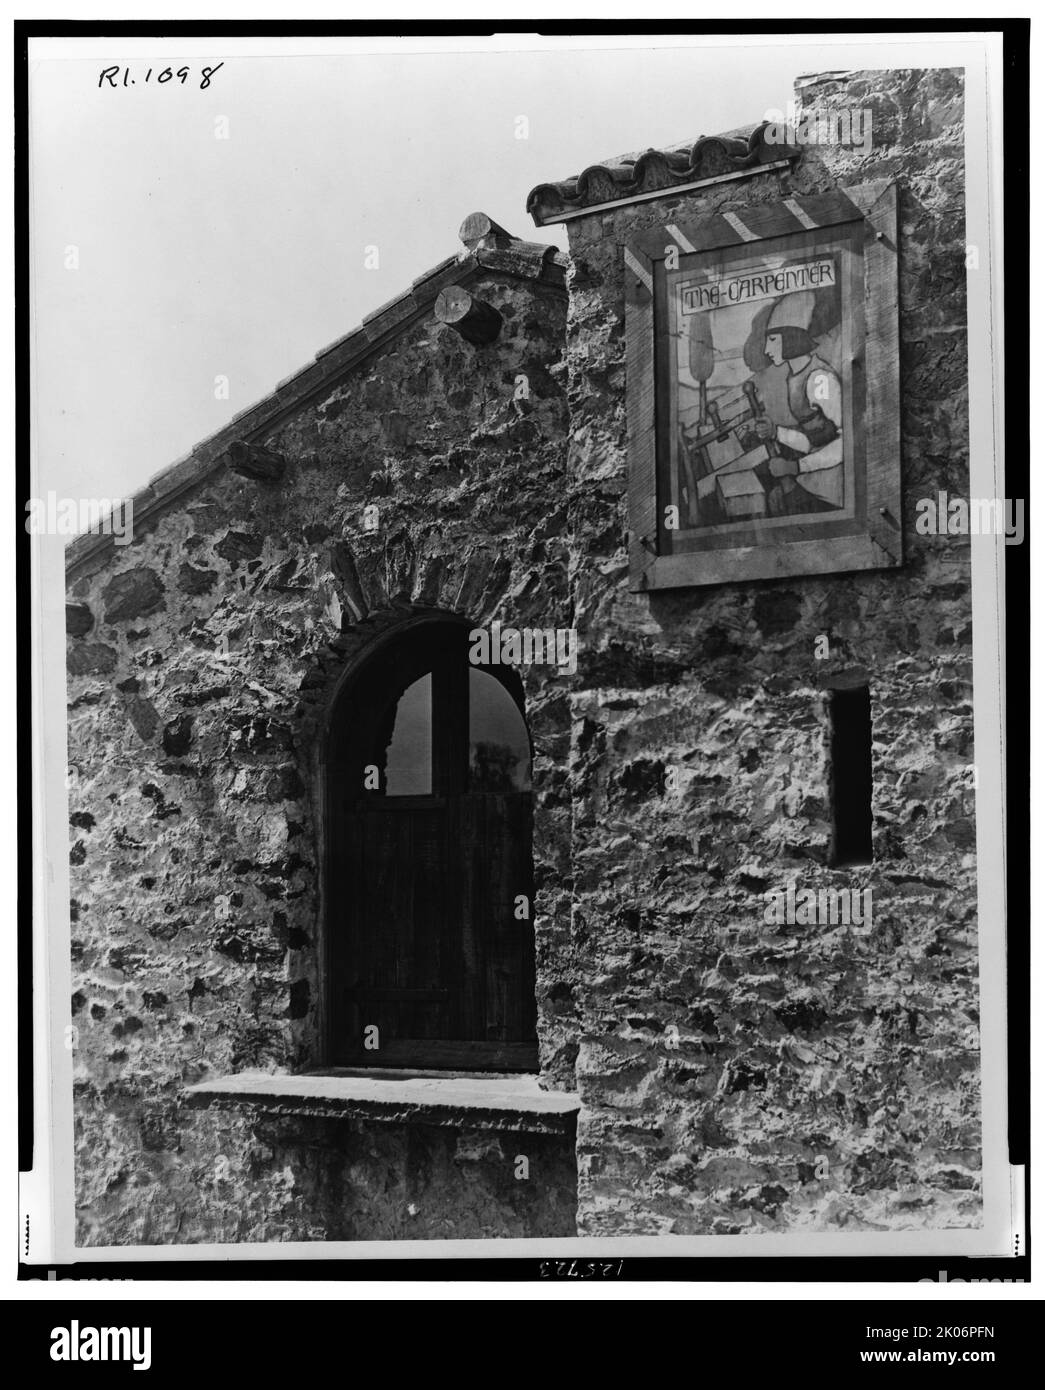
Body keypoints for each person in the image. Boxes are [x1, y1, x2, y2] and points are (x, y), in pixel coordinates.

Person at [749, 290, 844, 517]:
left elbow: (844, 444)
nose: (766, 350)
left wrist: (795, 467)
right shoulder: (796, 377)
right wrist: (776, 432)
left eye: (772, 340)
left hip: (831, 495)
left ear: (791, 338)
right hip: (813, 484)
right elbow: (816, 439)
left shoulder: (819, 378)